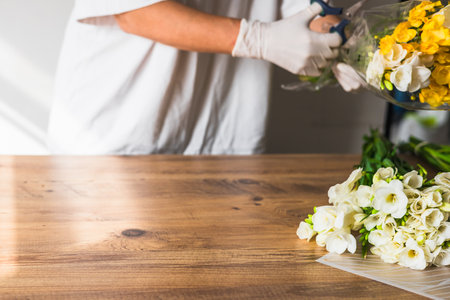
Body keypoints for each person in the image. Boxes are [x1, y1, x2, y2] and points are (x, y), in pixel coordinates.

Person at [47, 0, 362, 155]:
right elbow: (134, 10)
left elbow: (307, 9)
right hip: (114, 140)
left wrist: (340, 40)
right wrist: (258, 38)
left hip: (222, 144)